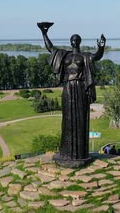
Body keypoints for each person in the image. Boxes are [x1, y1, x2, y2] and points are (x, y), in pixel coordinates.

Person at [39, 22, 105, 163]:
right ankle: (66, 152)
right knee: (67, 118)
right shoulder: (64, 55)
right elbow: (50, 48)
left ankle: (80, 153)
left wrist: (101, 46)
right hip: (68, 87)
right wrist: (44, 33)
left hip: (80, 88)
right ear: (70, 42)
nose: (74, 41)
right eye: (73, 39)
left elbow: (97, 56)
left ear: (79, 42)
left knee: (80, 117)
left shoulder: (85, 56)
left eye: (76, 39)